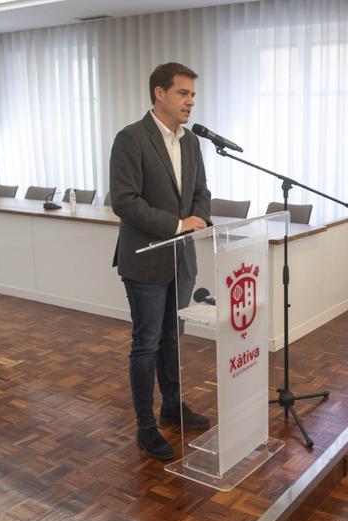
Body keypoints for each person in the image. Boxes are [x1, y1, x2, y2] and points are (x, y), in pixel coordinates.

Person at [110, 62, 213, 461]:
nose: (190, 102)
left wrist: (199, 216)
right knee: (146, 343)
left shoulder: (191, 142)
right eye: (183, 93)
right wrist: (176, 223)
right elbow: (124, 200)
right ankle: (146, 426)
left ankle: (173, 407)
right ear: (159, 93)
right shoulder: (131, 139)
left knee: (173, 336)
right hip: (145, 260)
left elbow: (201, 191)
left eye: (192, 95)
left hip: (181, 259)